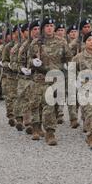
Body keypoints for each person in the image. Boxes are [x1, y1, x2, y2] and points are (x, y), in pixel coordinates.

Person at [27, 18, 73, 146]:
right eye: (47, 26)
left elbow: (69, 57)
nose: (49, 28)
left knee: (51, 106)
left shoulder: (61, 42)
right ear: (43, 28)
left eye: (51, 25)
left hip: (55, 78)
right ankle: (38, 128)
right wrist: (33, 62)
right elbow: (28, 61)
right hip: (40, 78)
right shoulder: (36, 43)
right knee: (36, 104)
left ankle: (50, 131)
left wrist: (68, 66)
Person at [15, 20, 40, 135]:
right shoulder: (24, 46)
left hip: (40, 77)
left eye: (38, 29)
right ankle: (28, 123)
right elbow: (17, 63)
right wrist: (22, 69)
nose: (37, 31)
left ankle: (38, 124)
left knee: (40, 102)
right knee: (26, 100)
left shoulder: (43, 43)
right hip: (26, 77)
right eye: (34, 29)